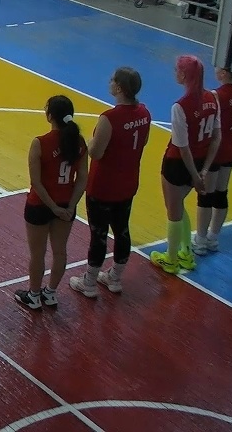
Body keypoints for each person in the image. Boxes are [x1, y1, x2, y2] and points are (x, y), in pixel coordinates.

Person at [70, 67, 151, 297]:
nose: (109, 82)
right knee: (122, 229)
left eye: (113, 80)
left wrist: (89, 140)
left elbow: (95, 152)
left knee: (99, 234)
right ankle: (115, 278)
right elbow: (143, 141)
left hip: (104, 186)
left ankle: (89, 282)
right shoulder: (144, 113)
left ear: (119, 88)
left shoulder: (109, 118)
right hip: (128, 183)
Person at [16, 95, 87, 310]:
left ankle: (34, 295)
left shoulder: (40, 143)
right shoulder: (79, 143)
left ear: (50, 116)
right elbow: (82, 179)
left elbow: (36, 182)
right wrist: (70, 206)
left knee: (37, 254)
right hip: (66, 205)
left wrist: (52, 207)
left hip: (40, 205)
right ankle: (51, 293)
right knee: (60, 252)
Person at [151, 55, 220, 274]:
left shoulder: (180, 106)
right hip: (199, 162)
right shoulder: (213, 98)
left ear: (183, 75)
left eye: (176, 70)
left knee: (173, 211)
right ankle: (186, 253)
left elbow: (182, 146)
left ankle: (171, 259)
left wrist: (196, 176)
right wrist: (203, 171)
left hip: (177, 164)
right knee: (179, 204)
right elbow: (216, 137)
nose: (174, 73)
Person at [195, 67, 232, 254]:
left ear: (224, 72)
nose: (215, 69)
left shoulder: (216, 95)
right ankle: (213, 237)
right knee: (221, 193)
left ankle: (200, 240)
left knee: (206, 196)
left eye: (218, 68)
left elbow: (209, 123)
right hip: (231, 148)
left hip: (215, 150)